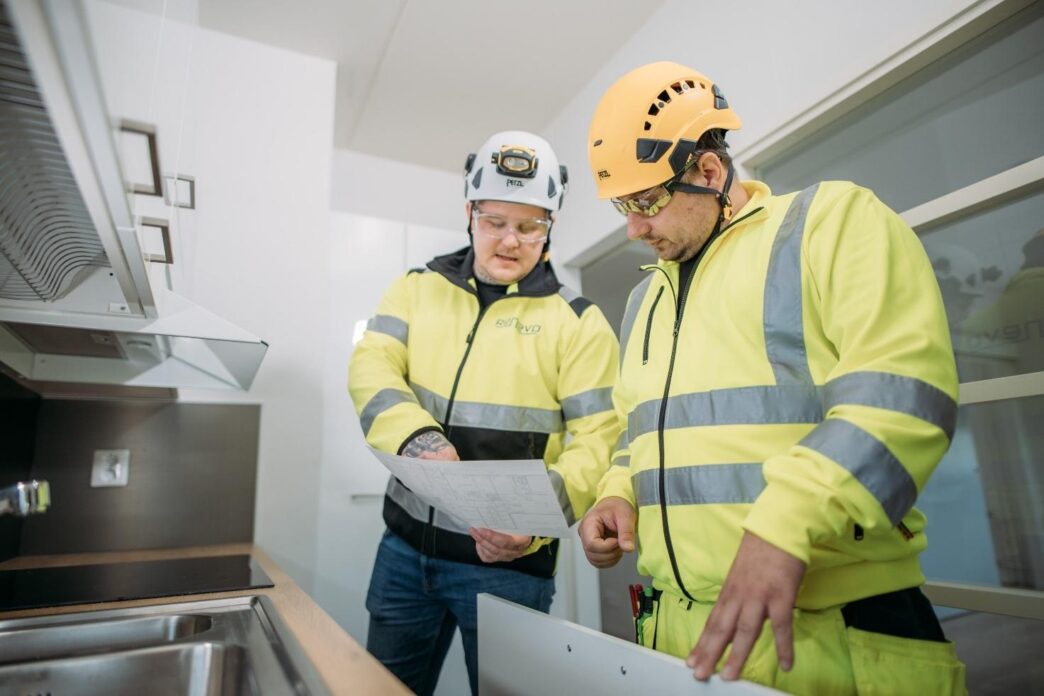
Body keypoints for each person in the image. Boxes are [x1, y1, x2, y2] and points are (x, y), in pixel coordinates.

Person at [578, 61, 967, 694]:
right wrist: (617, 493)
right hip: (676, 636)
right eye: (624, 205)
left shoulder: (830, 223)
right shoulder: (644, 299)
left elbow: (901, 396)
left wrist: (783, 524)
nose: (634, 228)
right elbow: (637, 433)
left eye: (646, 201)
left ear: (709, 172)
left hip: (829, 632)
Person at [349, 130, 619, 695]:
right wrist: (418, 439)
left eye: (530, 225)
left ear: (550, 226)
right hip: (404, 552)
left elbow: (600, 439)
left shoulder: (579, 322)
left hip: (509, 573)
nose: (510, 240)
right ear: (470, 213)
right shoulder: (416, 289)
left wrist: (535, 525)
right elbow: (372, 367)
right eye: (495, 221)